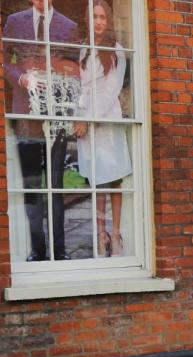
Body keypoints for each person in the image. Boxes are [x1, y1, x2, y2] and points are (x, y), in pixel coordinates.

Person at [3, 0, 80, 261]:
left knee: (56, 185)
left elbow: (76, 71)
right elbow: (4, 62)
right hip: (26, 116)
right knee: (32, 186)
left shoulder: (69, 27)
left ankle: (60, 250)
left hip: (57, 118)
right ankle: (38, 250)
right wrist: (22, 78)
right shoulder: (15, 22)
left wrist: (58, 75)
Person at [74, 0, 132, 257]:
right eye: (94, 16)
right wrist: (79, 117)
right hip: (87, 123)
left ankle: (116, 233)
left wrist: (89, 119)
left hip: (107, 121)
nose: (98, 22)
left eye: (102, 17)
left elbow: (111, 90)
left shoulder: (116, 50)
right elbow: (81, 89)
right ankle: (101, 235)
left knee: (113, 180)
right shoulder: (84, 49)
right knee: (97, 180)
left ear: (108, 21)